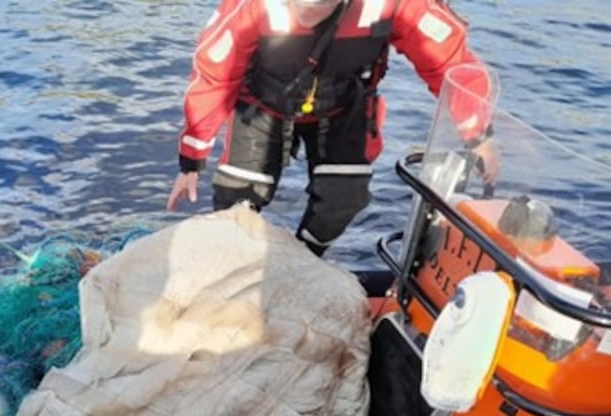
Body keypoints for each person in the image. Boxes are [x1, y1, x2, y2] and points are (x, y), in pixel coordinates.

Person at [166, 0, 498, 255]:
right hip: (264, 104)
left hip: (344, 105)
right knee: (237, 199)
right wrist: (191, 160)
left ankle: (302, 260)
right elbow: (215, 75)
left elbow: (449, 64)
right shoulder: (252, 8)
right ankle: (231, 265)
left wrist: (478, 135)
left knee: (343, 200)